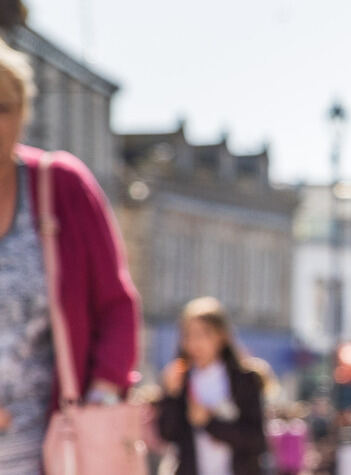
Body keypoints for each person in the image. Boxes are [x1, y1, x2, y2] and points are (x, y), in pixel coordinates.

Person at [0, 37, 140, 474]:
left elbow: (117, 306)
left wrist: (103, 393)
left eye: (2, 106)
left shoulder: (61, 186)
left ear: (24, 113)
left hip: (53, 443)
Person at [158, 297, 270, 475]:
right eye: (188, 335)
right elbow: (167, 434)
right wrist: (171, 395)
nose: (195, 343)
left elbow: (257, 441)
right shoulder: (180, 378)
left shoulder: (244, 379)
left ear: (222, 336)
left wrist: (210, 422)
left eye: (203, 334)